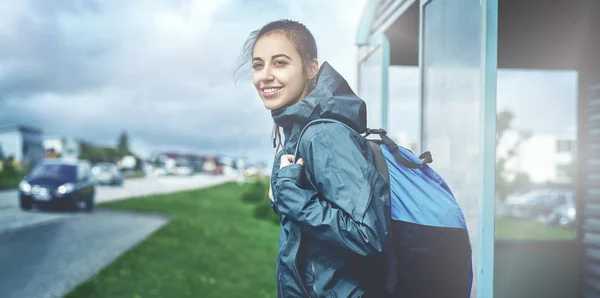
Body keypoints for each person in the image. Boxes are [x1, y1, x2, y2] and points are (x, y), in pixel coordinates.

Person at [236, 19, 390, 298]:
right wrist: (289, 198)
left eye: (280, 63)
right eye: (258, 65)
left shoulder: (324, 135)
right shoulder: (300, 131)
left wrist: (293, 197)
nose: (264, 76)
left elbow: (369, 235)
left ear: (310, 68)